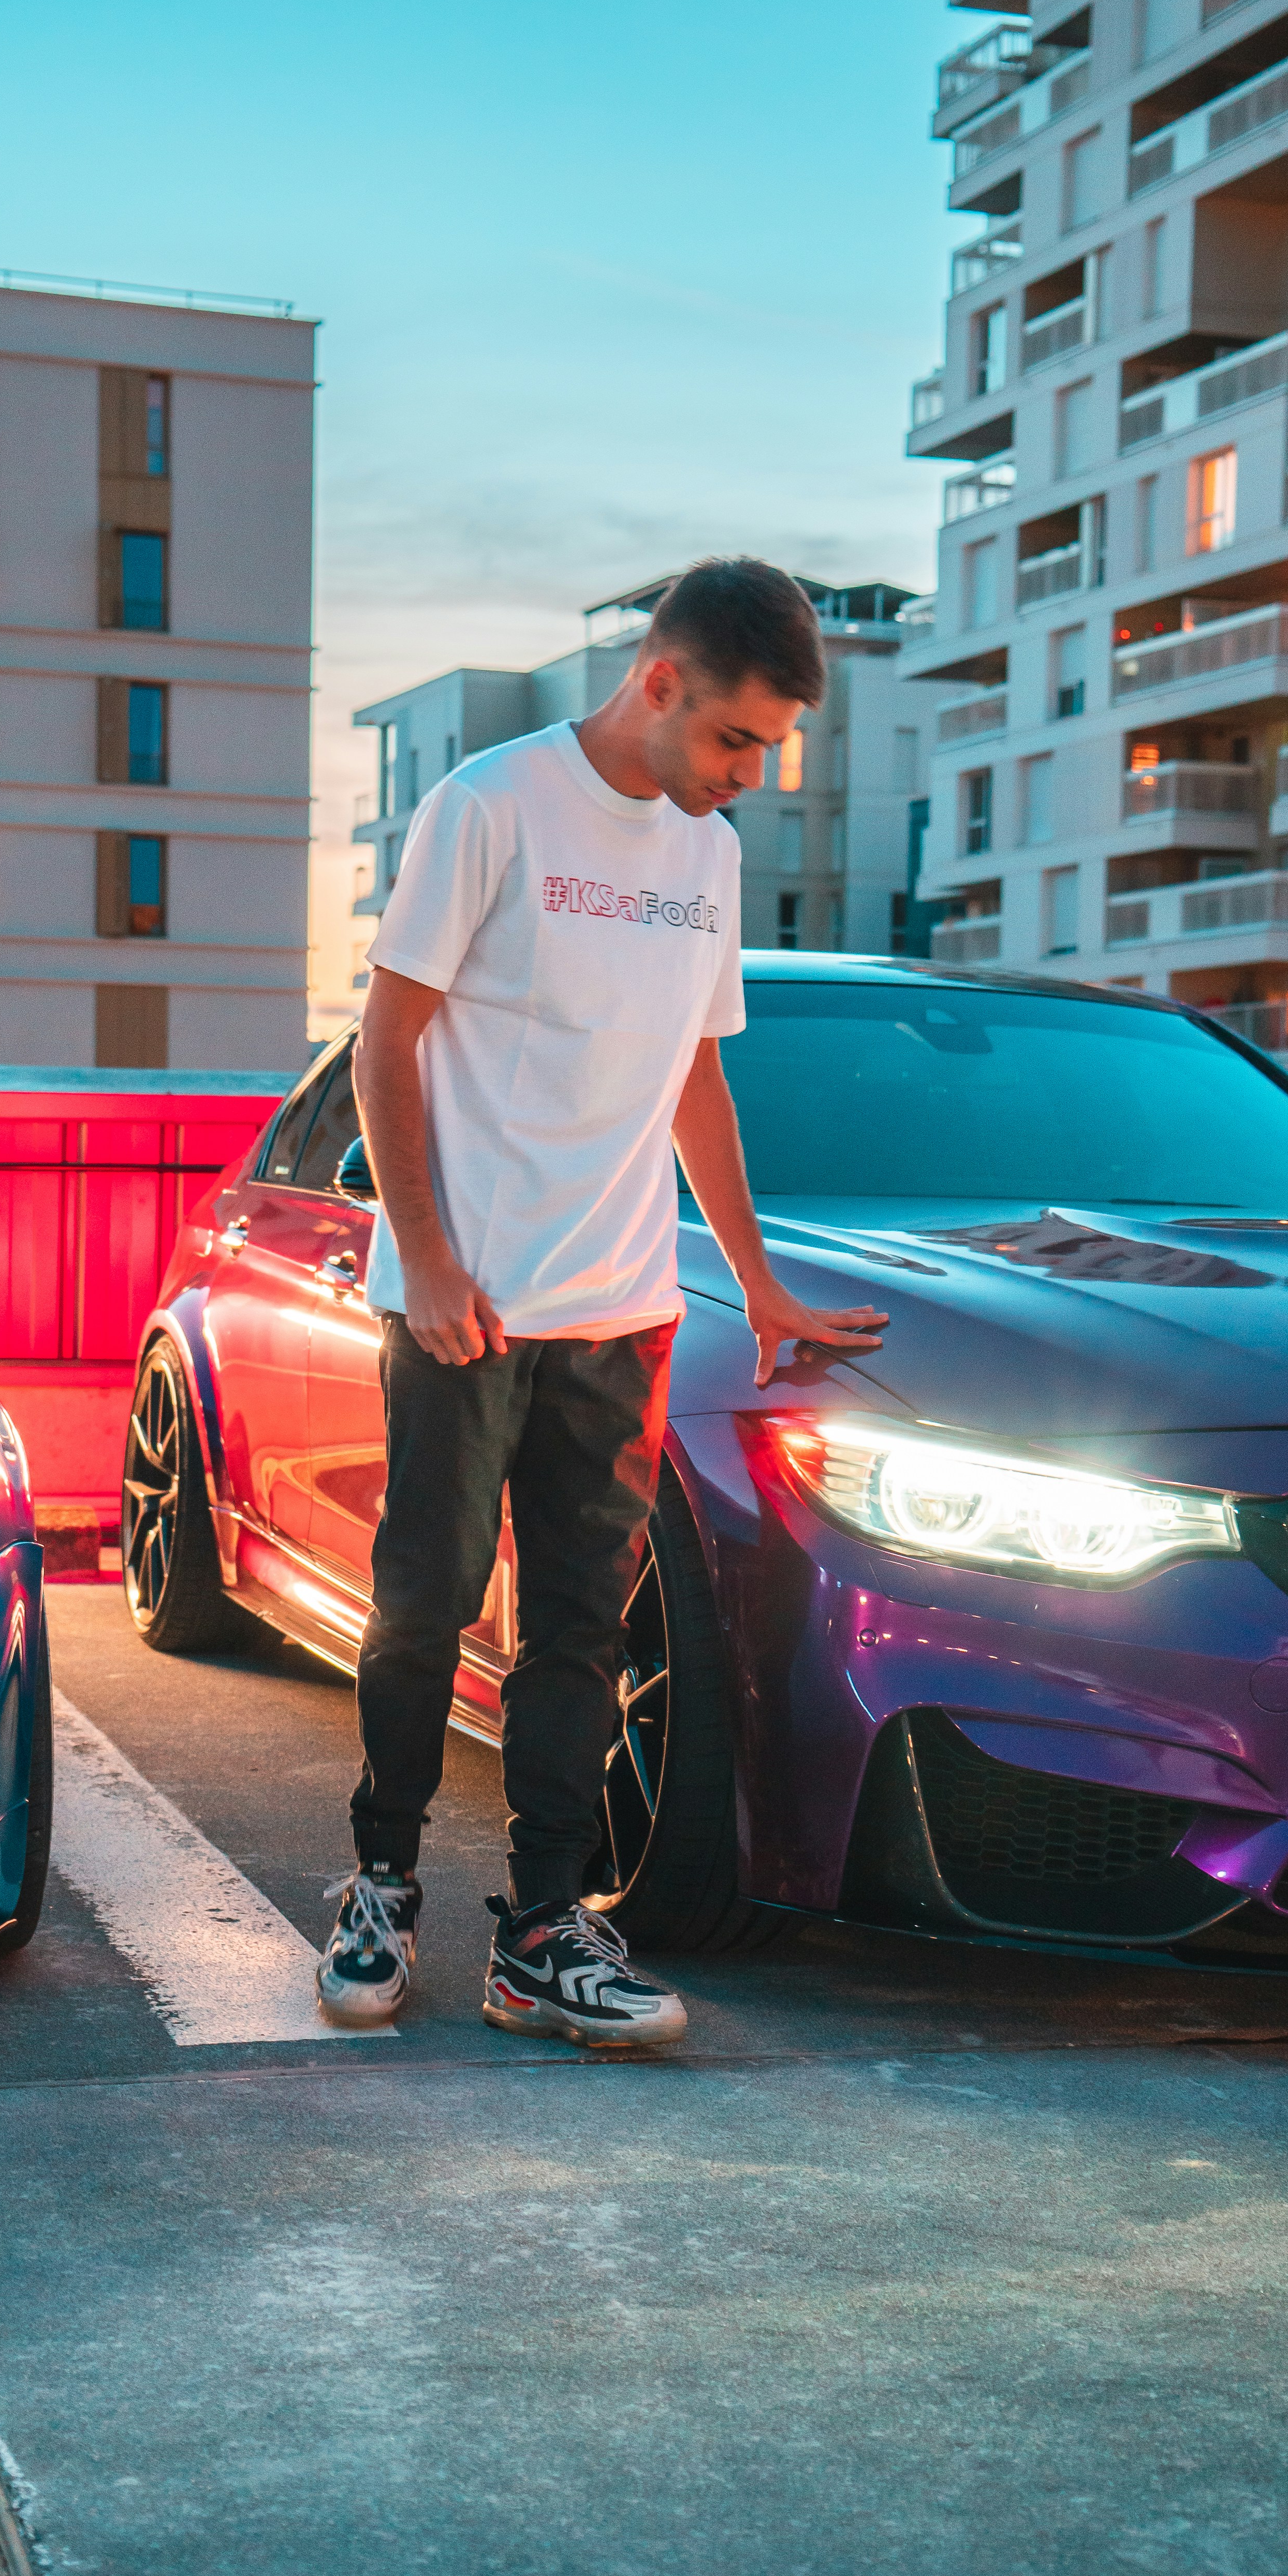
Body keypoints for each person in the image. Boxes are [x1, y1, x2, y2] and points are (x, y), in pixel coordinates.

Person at [316, 557, 888, 2046]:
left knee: (578, 1629)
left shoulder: (702, 857)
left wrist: (755, 1281)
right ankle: (378, 1881)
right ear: (658, 684)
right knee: (427, 1602)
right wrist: (428, 1261)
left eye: (766, 749)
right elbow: (388, 1043)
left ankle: (543, 1932)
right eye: (734, 742)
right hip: (468, 1307)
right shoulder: (490, 807)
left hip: (621, 1306)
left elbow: (694, 1074)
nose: (747, 778)